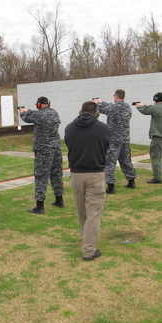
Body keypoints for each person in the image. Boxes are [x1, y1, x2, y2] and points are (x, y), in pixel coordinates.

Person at [64, 101, 110, 261]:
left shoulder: (69, 128)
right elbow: (107, 147)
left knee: (83, 212)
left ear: (81, 111)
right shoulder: (103, 129)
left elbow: (70, 146)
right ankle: (89, 250)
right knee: (94, 213)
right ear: (96, 112)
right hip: (95, 174)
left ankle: (87, 241)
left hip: (76, 174)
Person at [19, 97, 64, 214]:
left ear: (39, 105)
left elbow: (27, 118)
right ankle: (59, 200)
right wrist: (29, 111)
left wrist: (23, 112)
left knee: (41, 177)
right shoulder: (54, 113)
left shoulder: (38, 115)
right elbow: (36, 114)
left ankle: (40, 206)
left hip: (44, 149)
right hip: (56, 148)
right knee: (56, 174)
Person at [93, 89, 136, 193]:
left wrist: (97, 104)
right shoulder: (127, 107)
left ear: (116, 97)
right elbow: (110, 106)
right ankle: (131, 181)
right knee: (126, 160)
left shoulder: (114, 108)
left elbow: (105, 109)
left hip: (114, 140)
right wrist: (101, 102)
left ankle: (111, 186)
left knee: (110, 162)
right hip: (125, 139)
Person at [135, 92, 162, 183]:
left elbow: (145, 111)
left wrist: (139, 106)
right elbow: (152, 108)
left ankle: (157, 178)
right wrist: (144, 105)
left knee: (155, 156)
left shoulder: (155, 108)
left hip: (159, 136)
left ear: (156, 100)